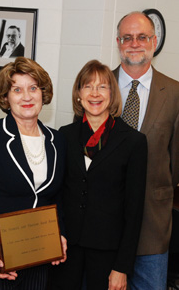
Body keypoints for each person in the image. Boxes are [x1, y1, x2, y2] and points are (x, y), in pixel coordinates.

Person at [0, 56, 67, 290]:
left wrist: (60, 234)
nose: (27, 96)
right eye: (17, 89)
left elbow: (56, 197)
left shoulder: (57, 140)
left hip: (37, 259)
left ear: (43, 93)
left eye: (33, 88)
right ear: (5, 97)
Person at [49, 60, 147, 290]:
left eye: (102, 87)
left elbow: (134, 212)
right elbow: (58, 195)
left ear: (112, 95)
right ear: (78, 94)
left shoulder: (133, 142)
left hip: (108, 252)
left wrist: (122, 267)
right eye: (88, 86)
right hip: (65, 249)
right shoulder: (65, 136)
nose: (95, 93)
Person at [114, 11, 179, 290]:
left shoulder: (175, 93)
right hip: (106, 226)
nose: (134, 43)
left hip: (153, 228)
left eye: (142, 37)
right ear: (118, 43)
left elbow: (175, 162)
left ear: (154, 42)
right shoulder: (98, 87)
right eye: (127, 37)